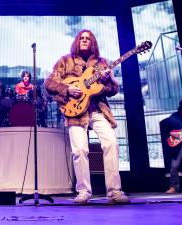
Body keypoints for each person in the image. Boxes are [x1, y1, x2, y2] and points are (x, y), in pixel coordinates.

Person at [44, 29, 129, 204]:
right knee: (80, 150)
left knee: (111, 143)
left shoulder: (102, 63)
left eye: (87, 39)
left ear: (92, 42)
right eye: (81, 38)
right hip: (74, 112)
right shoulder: (65, 60)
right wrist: (66, 89)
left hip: (97, 109)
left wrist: (108, 81)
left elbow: (113, 90)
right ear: (77, 41)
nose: (84, 41)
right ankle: (83, 191)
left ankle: (114, 191)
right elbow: (49, 83)